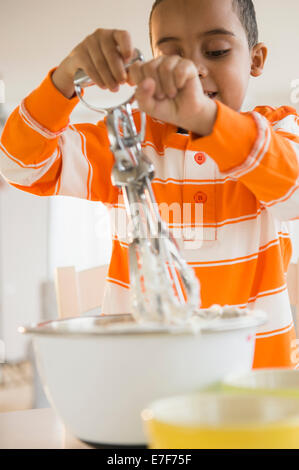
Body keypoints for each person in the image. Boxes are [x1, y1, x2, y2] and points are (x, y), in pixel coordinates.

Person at [0, 0, 299, 368]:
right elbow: (18, 165)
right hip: (140, 381)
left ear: (255, 60)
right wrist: (64, 81)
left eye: (216, 51)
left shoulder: (276, 132)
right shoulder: (127, 143)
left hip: (252, 383)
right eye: (172, 56)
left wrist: (209, 120)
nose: (191, 71)